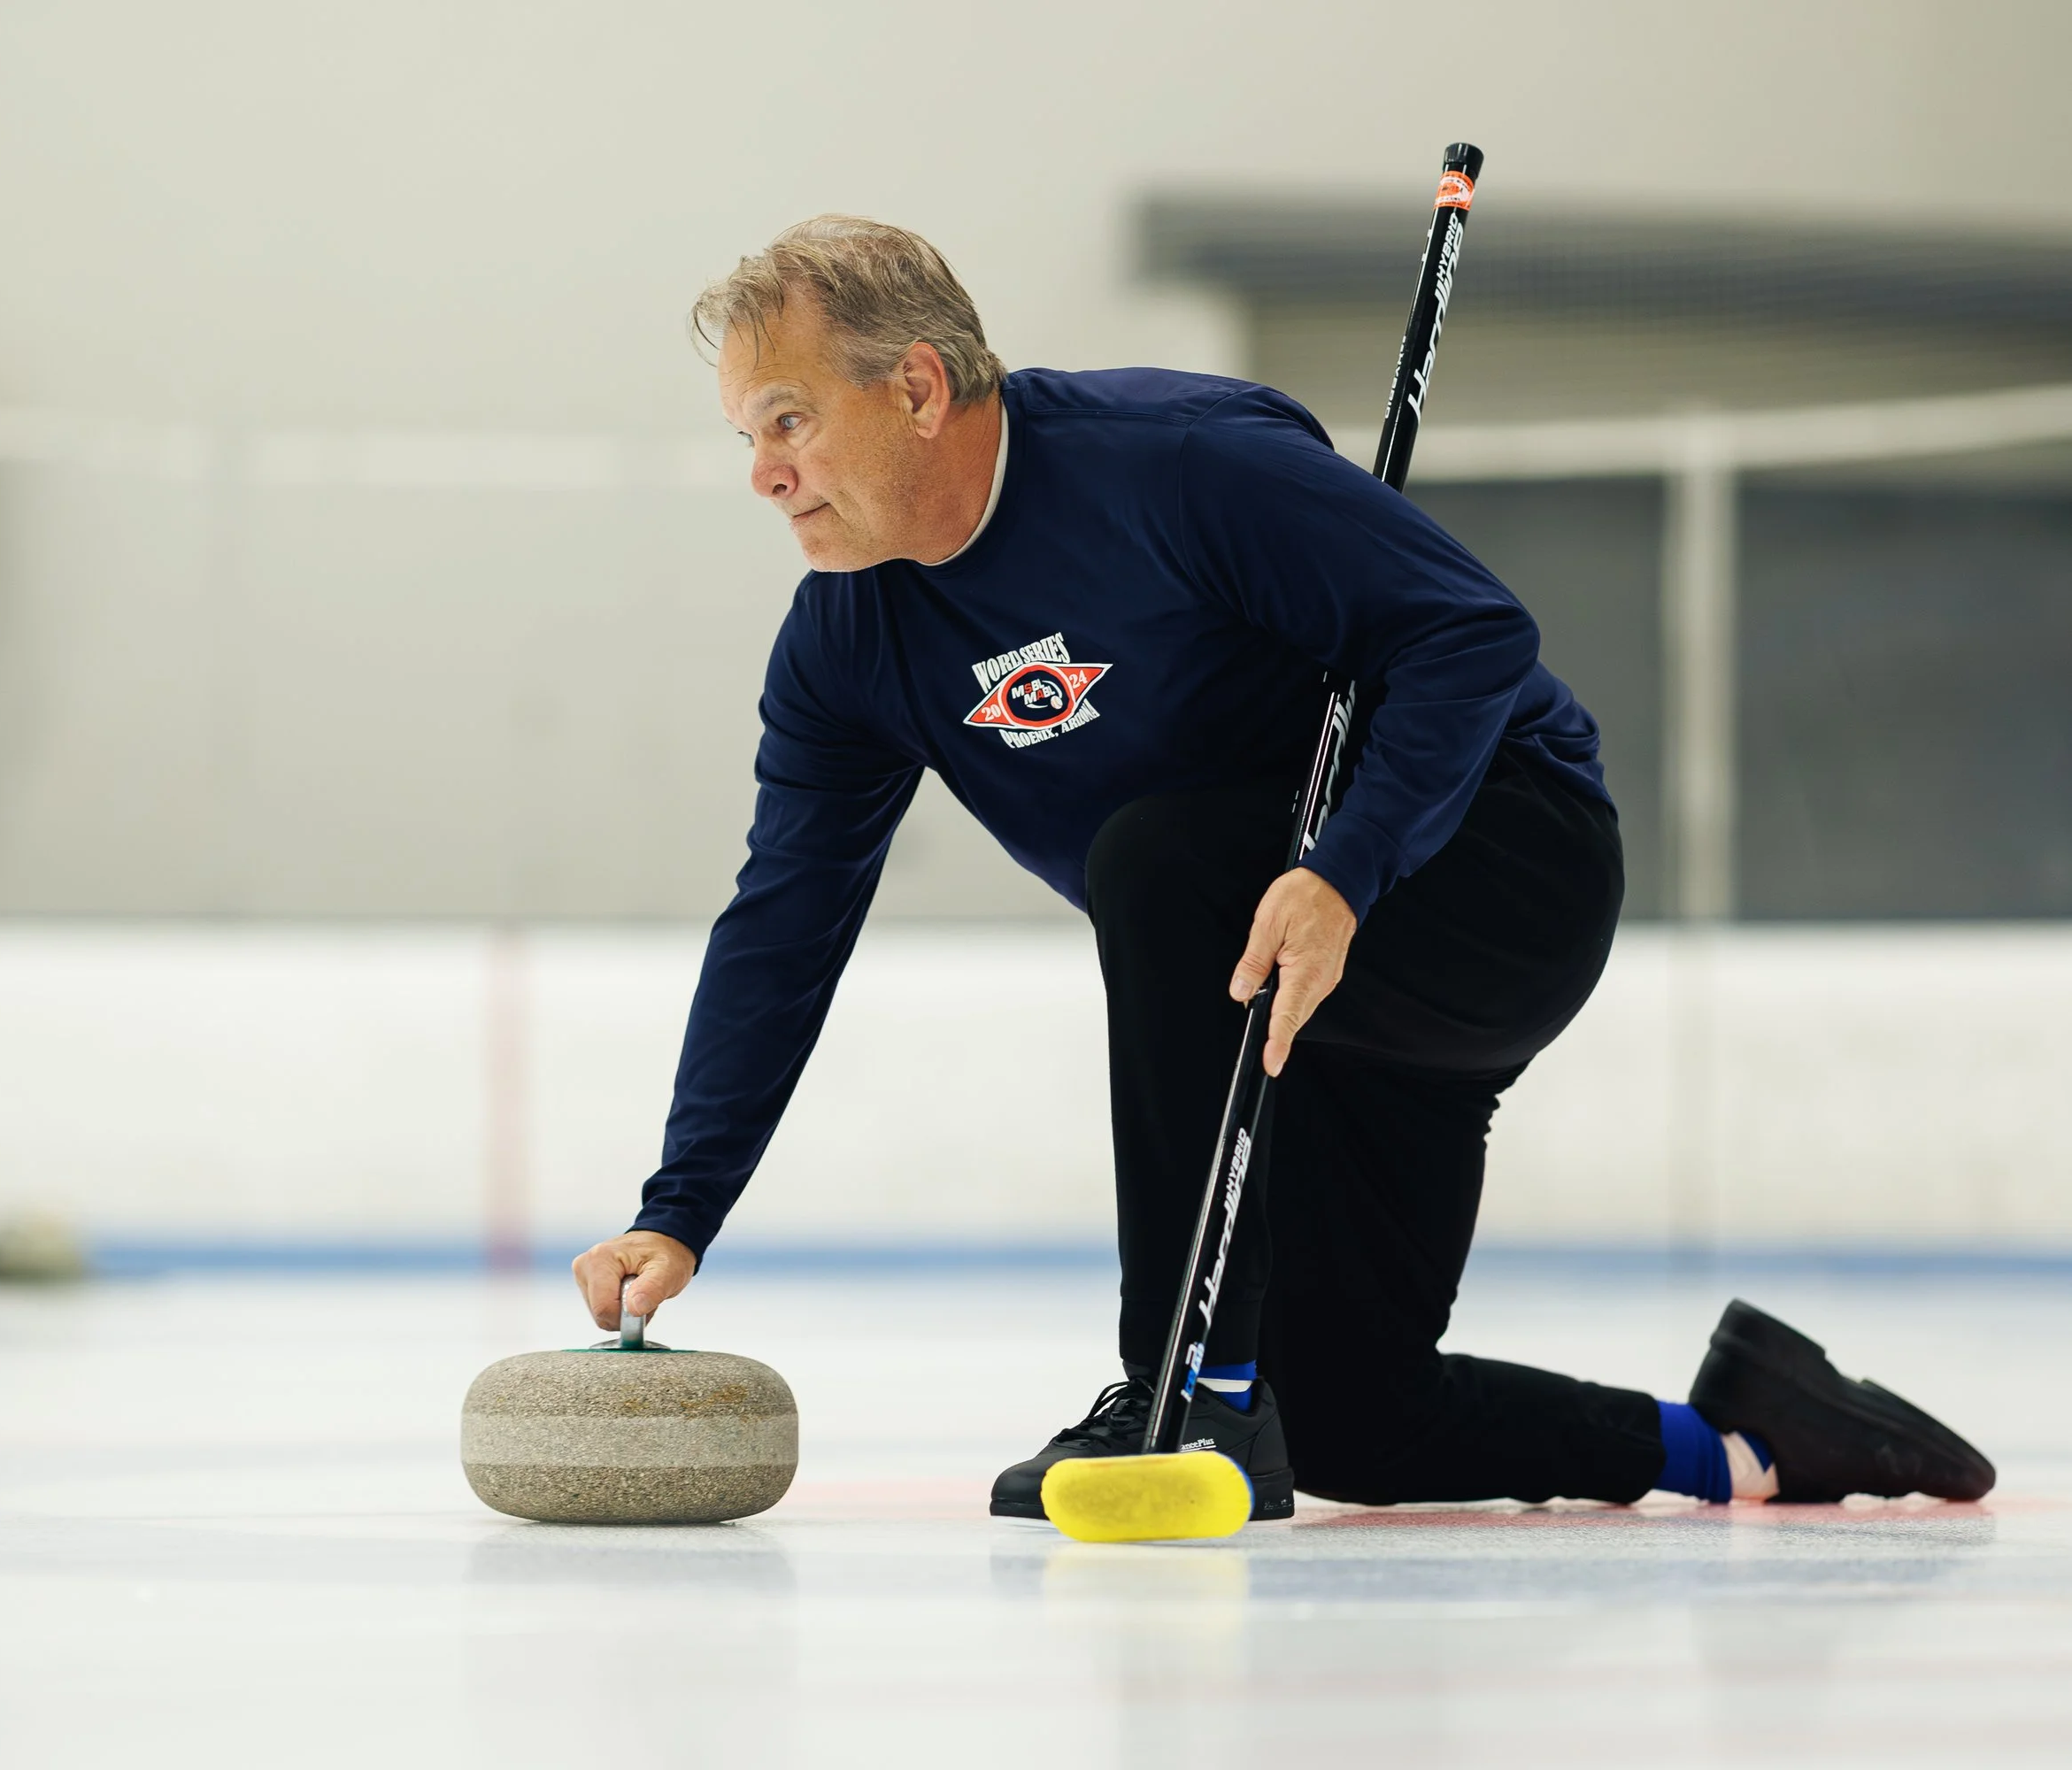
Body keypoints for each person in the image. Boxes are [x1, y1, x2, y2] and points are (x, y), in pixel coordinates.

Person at [572, 215, 1994, 1515]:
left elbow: (1472, 637)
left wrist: (1349, 869)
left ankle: (1182, 1397)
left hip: (1495, 870)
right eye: (749, 434)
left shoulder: (1177, 462)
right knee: (1366, 1429)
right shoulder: (847, 643)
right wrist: (680, 1201)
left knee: (1157, 856)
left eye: (789, 420)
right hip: (1288, 992)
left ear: (921, 389)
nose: (764, 473)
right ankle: (1751, 1440)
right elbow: (785, 917)